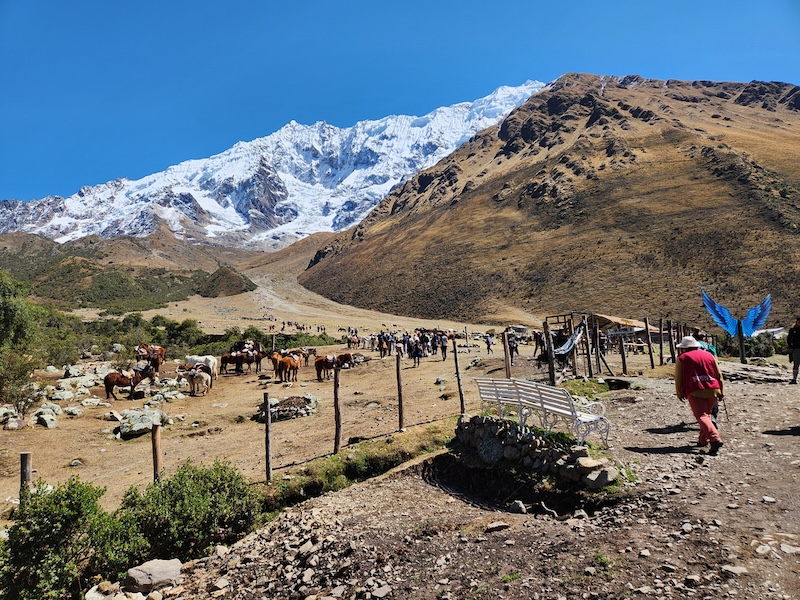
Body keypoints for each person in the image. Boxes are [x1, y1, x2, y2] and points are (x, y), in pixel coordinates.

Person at [675, 336, 724, 454]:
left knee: (701, 416)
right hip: (713, 388)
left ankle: (715, 438)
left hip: (694, 389)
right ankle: (703, 440)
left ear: (684, 348)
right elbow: (718, 374)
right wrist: (721, 391)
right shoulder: (709, 356)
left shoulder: (682, 358)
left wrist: (679, 393)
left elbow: (678, 378)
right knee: (706, 415)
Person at [787, 316, 800, 384]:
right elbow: (789, 339)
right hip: (796, 349)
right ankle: (794, 379)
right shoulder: (792, 330)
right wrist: (790, 347)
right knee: (796, 364)